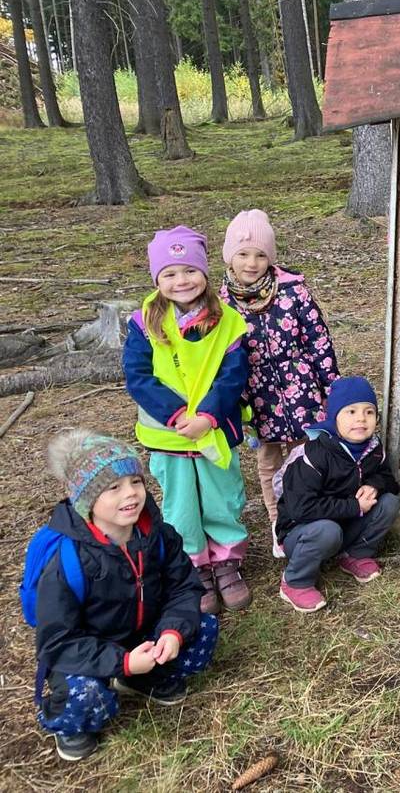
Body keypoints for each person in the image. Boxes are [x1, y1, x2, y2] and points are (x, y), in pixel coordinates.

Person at [30, 430, 218, 761]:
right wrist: (123, 661)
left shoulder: (157, 535)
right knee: (85, 695)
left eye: (135, 481)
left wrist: (172, 631)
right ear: (85, 498)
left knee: (203, 630)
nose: (130, 494)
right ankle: (70, 723)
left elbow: (184, 586)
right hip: (90, 651)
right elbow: (57, 642)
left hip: (144, 635)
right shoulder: (66, 561)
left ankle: (142, 679)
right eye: (113, 488)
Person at [122, 226, 252, 613]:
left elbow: (234, 374)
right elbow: (138, 376)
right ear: (157, 279)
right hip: (170, 433)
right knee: (180, 503)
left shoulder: (227, 320)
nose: (181, 281)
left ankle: (227, 561)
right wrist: (178, 415)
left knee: (221, 495)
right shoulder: (144, 322)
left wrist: (209, 416)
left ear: (205, 274)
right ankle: (194, 565)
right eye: (170, 274)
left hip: (213, 431)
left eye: (190, 270)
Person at [219, 209, 339, 559]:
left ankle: (308, 511)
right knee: (269, 458)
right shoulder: (223, 303)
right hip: (257, 392)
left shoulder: (293, 290)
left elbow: (319, 340)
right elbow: (220, 354)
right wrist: (235, 400)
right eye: (243, 254)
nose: (252, 263)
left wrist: (329, 386)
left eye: (260, 255)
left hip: (300, 384)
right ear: (230, 257)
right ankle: (279, 521)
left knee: (306, 454)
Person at [275, 377, 400, 612]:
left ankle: (355, 553)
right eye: (351, 411)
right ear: (334, 417)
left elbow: (390, 481)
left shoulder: (372, 449)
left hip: (344, 525)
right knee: (327, 530)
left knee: (389, 502)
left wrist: (375, 484)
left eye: (369, 412)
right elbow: (301, 509)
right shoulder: (314, 455)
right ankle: (295, 581)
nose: (361, 419)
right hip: (303, 532)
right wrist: (354, 507)